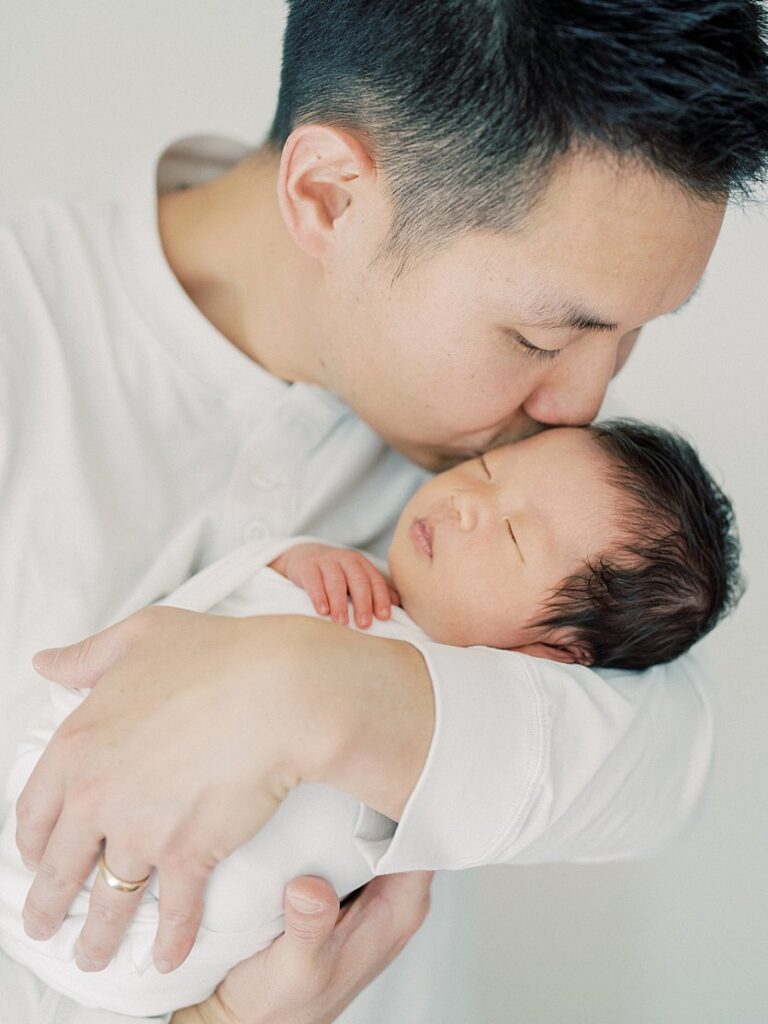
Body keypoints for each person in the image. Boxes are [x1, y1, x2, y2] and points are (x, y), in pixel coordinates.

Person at [2, 2, 766, 1022]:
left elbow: (671, 751)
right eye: (544, 337)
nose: (581, 405)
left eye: (628, 337)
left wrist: (318, 690)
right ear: (328, 196)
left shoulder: (525, 461)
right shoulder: (28, 348)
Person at [0, 420, 743, 1016]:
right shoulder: (356, 578)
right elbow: (231, 602)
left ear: (554, 656)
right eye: (490, 469)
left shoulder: (474, 708)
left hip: (154, 952)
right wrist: (293, 561)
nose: (467, 503)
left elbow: (665, 763)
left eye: (512, 535)